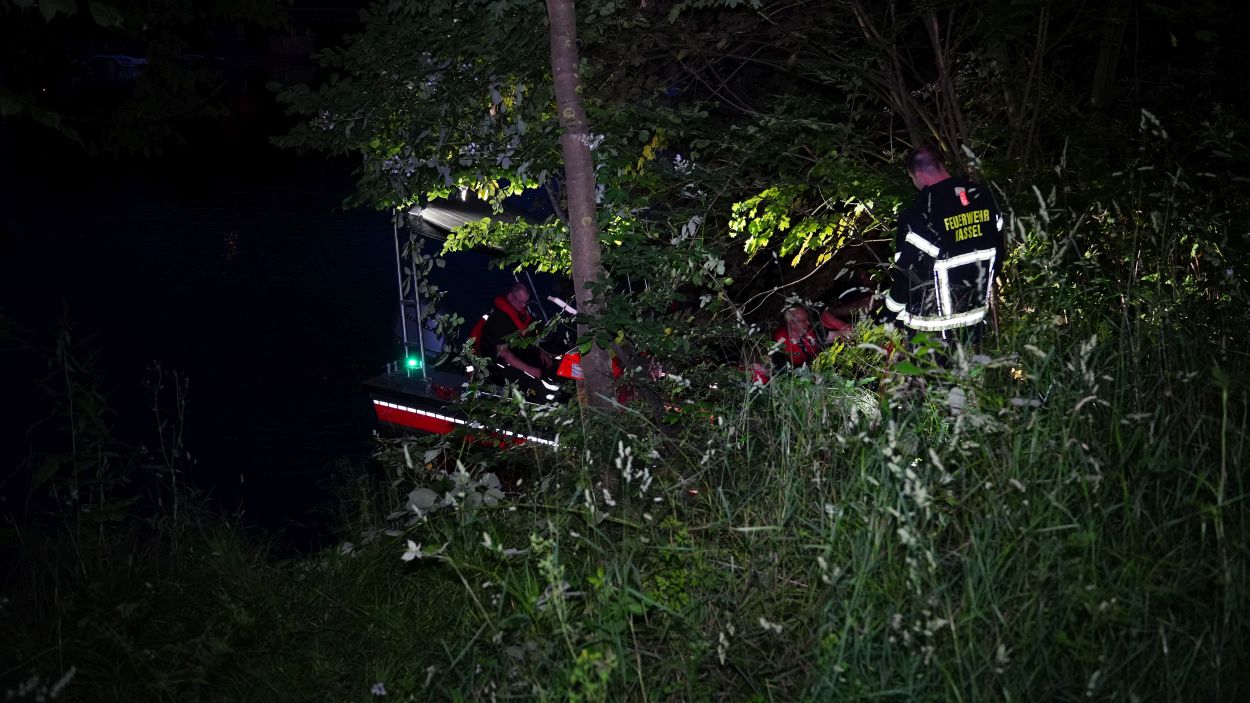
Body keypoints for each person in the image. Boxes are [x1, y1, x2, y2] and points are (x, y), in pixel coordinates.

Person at [881, 145, 1004, 347]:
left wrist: (886, 315)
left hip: (931, 330)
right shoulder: (984, 198)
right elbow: (998, 257)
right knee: (971, 368)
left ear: (917, 174)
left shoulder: (920, 214)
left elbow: (907, 275)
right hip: (975, 320)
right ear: (941, 164)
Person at [469, 282, 554, 397]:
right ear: (510, 296)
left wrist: (541, 351)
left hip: (518, 361)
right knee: (540, 390)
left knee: (553, 372)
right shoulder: (499, 318)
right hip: (497, 369)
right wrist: (531, 370)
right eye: (520, 301)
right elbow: (504, 354)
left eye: (526, 302)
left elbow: (529, 338)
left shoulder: (521, 314)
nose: (523, 305)